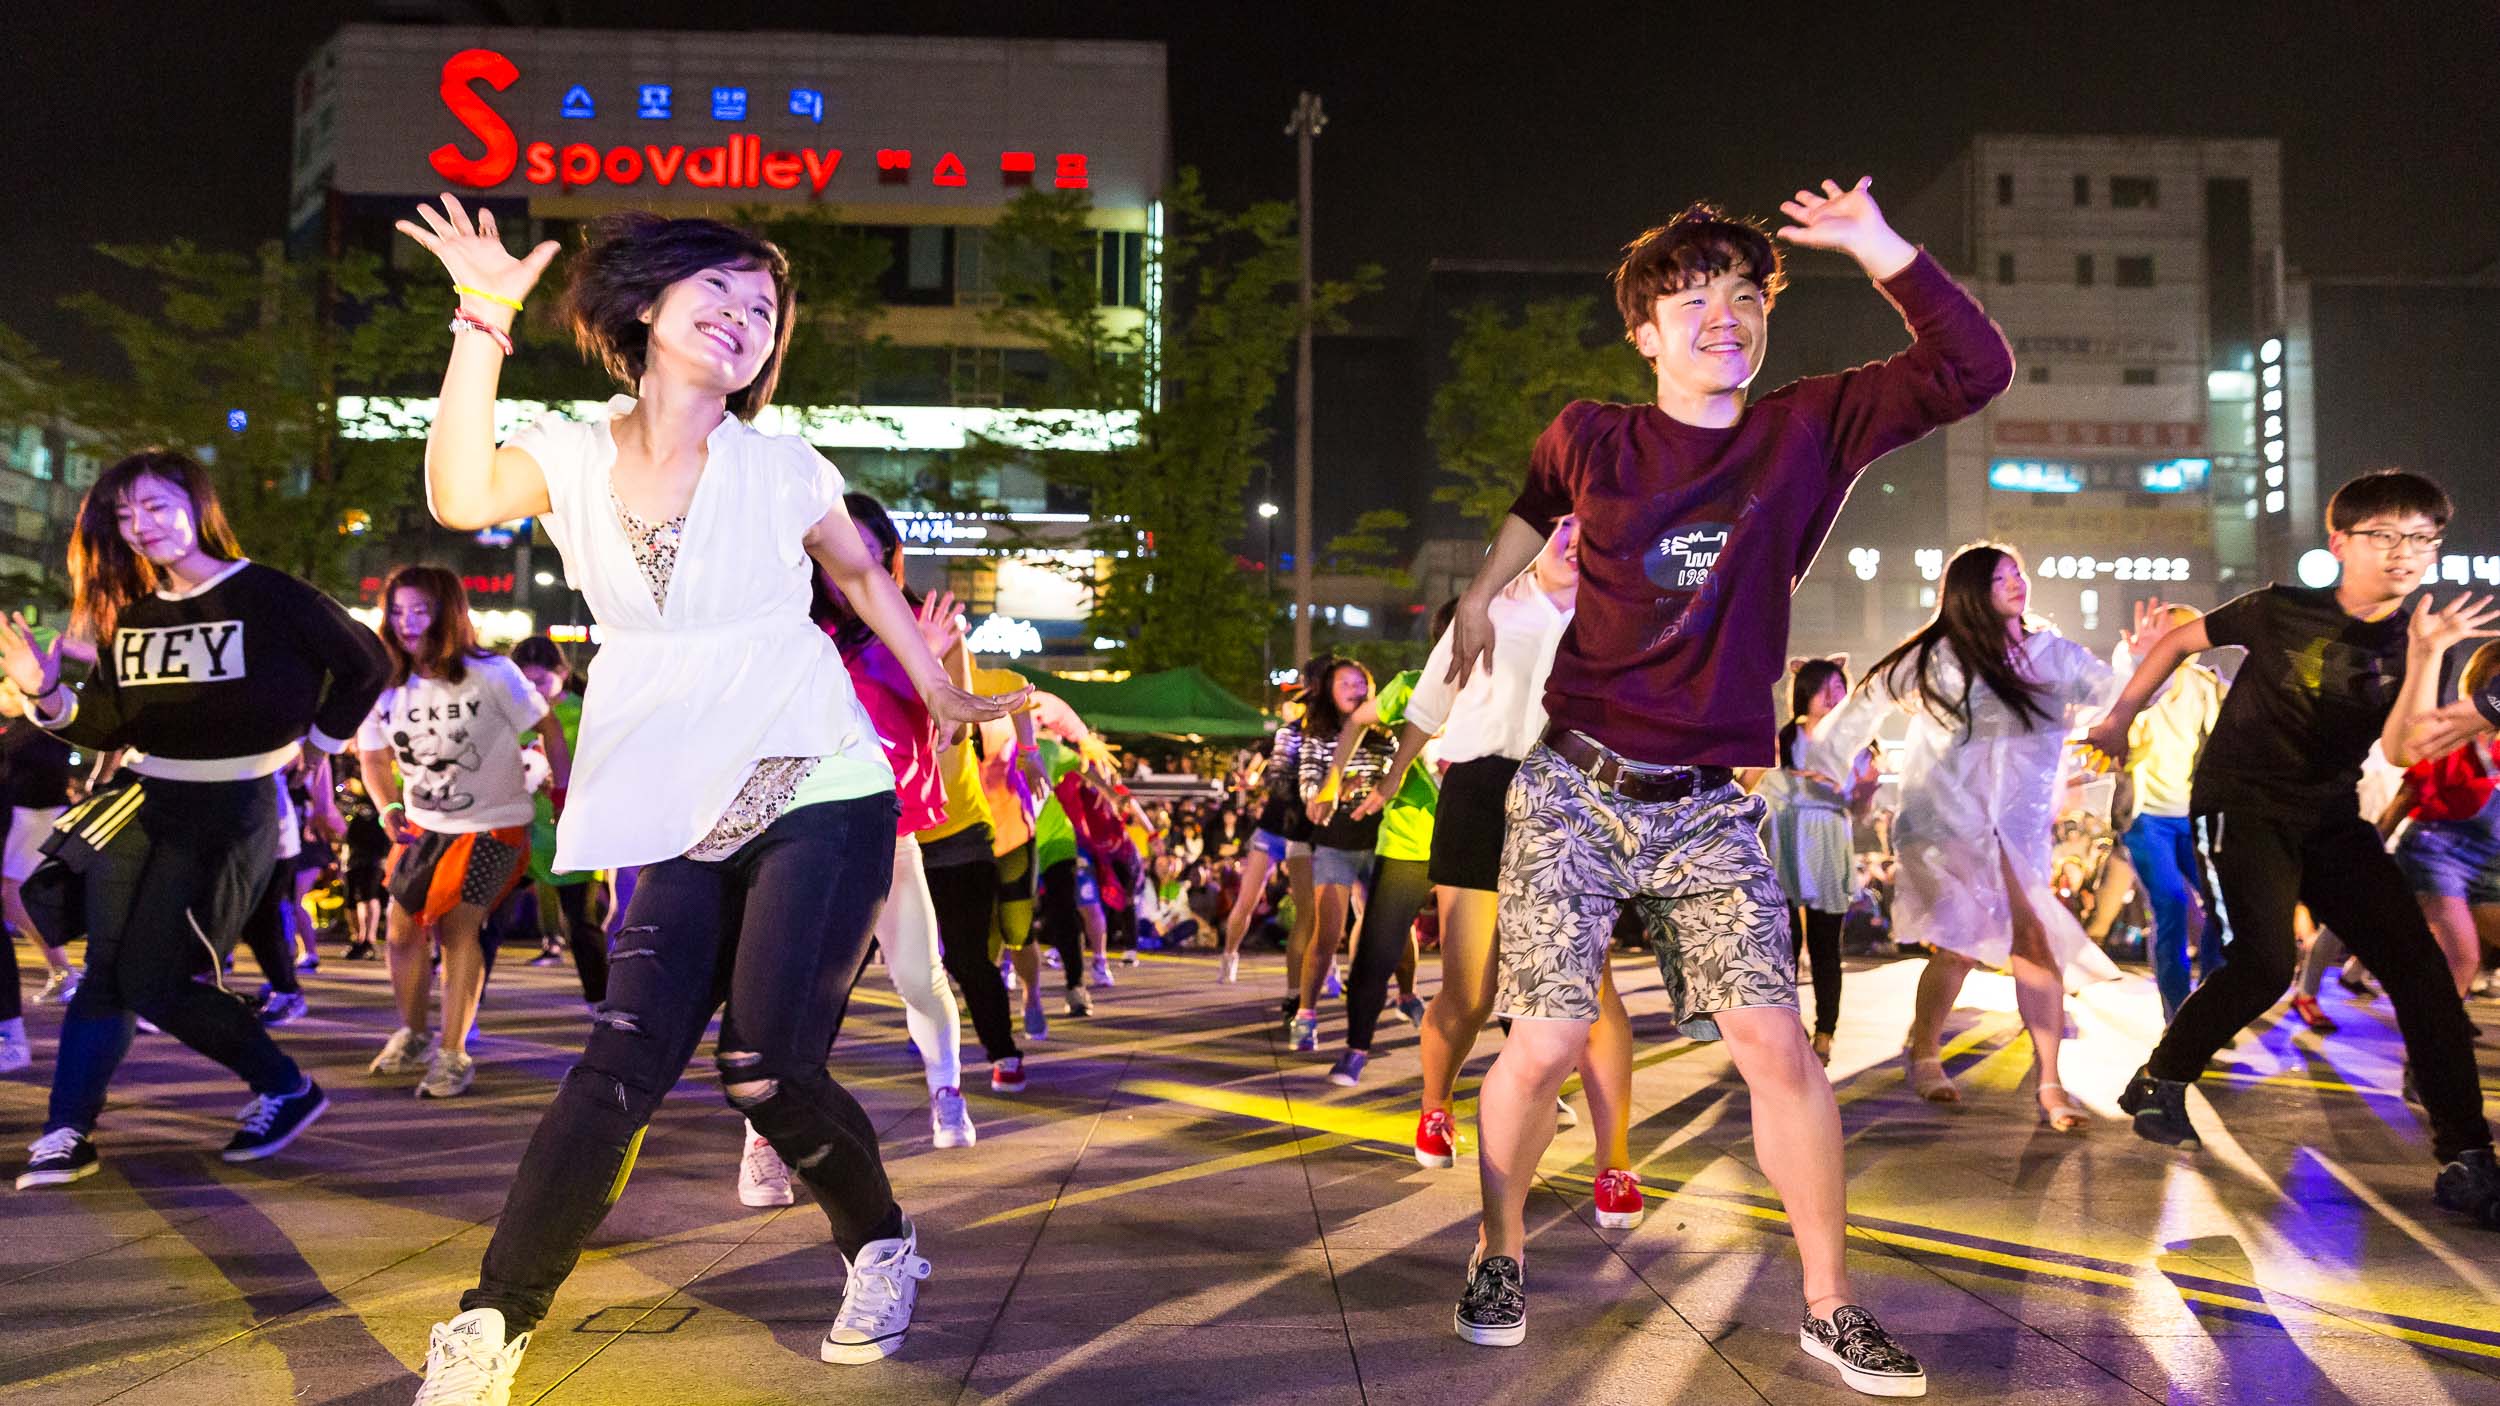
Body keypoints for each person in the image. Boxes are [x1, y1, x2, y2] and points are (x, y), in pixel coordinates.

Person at [392, 196, 1026, 1396]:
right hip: (670, 785)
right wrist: (482, 318)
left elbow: (857, 570)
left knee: (766, 1063)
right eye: (719, 296)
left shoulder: (782, 464)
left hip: (814, 777)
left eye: (763, 307)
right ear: (645, 309)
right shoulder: (574, 451)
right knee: (617, 1066)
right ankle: (492, 1318)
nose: (745, 320)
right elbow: (461, 496)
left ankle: (880, 1245)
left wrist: (939, 692)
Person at [1442, 184, 2011, 1395]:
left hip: (1706, 798)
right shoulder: (1588, 432)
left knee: (1776, 1043)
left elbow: (1972, 366)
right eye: (1690, 297)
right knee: (1542, 1037)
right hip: (1575, 783)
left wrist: (1875, 248)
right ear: (1643, 329)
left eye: (1745, 296)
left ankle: (1827, 1304)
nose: (1723, 316)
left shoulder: (1807, 428)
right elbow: (1532, 501)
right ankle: (1497, 1245)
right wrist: (1482, 590)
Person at [2083, 468, 2499, 1233]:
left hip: (2331, 818)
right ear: (2340, 541)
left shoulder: (2418, 636)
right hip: (2240, 804)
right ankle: (2163, 1075)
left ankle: (2468, 1155)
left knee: (2423, 972)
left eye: (2422, 539)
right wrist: (2118, 718)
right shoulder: (2279, 609)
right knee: (2264, 963)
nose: (2405, 553)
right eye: (2385, 536)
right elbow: (2180, 638)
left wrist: (2437, 660)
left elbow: (2406, 747)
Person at [5, 450, 389, 1188]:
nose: (141, 526)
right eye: (125, 516)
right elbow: (108, 725)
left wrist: (320, 744)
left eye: (155, 506)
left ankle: (285, 1086)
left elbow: (365, 663)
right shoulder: (137, 614)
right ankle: (66, 1132)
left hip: (233, 805)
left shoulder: (270, 594)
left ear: (195, 501)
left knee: (155, 979)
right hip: (142, 803)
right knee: (106, 976)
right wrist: (47, 695)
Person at [1817, 545, 2166, 1122]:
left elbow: (2120, 697)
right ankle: (1927, 1051)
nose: (2017, 583)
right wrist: (1825, 758)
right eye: (2001, 577)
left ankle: (2048, 1080)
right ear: (1969, 591)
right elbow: (1866, 703)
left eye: (2019, 574)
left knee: (2026, 941)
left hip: (2020, 827)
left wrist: (2141, 661)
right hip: (1946, 822)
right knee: (1967, 944)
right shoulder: (1934, 656)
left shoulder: (2050, 653)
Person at [358, 564, 570, 1098]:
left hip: (494, 825)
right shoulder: (382, 682)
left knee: (458, 929)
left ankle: (453, 1054)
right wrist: (387, 808)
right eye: (399, 611)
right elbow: (374, 757)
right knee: (401, 930)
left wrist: (563, 794)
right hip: (423, 826)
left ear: (448, 613)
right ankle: (412, 1033)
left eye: (421, 610)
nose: (408, 623)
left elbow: (545, 724)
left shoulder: (492, 672)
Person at [1755, 657, 1878, 1064]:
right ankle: (1788, 1028)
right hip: (1786, 837)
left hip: (1827, 840)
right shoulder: (1784, 739)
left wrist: (1855, 791)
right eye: (1824, 688)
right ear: (1803, 692)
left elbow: (1862, 808)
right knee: (1783, 943)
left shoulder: (1856, 744)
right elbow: (1751, 784)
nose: (1833, 697)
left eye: (1839, 687)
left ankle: (1826, 1032)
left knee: (1826, 945)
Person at [2110, 608, 2227, 1023]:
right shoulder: (2137, 679)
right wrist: (2136, 665)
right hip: (2147, 818)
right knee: (2172, 906)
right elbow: (2112, 714)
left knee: (2224, 906)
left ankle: (2212, 1003)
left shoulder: (2208, 685)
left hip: (2194, 817)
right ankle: (2178, 1014)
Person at [2377, 640, 2500, 1001]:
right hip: (2437, 852)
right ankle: (2432, 1048)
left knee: (2456, 957)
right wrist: (2373, 845)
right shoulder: (2453, 730)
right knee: (2461, 958)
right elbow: (2406, 794)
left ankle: (2436, 1029)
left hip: (2489, 858)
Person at [1288, 658, 1394, 1050]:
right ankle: (1305, 1013)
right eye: (1343, 683)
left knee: (1386, 932)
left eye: (1359, 682)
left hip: (1383, 840)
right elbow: (1309, 793)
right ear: (1330, 694)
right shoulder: (1318, 737)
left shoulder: (1387, 734)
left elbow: (1399, 775)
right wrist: (1341, 785)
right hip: (1336, 843)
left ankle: (1406, 996)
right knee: (1327, 933)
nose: (1353, 689)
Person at [509, 636, 605, 1005]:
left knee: (581, 923)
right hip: (517, 829)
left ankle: (600, 1002)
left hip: (571, 829)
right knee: (486, 919)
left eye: (541, 681)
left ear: (563, 673)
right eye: (524, 682)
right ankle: (466, 1009)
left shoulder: (586, 714)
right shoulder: (507, 714)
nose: (533, 691)